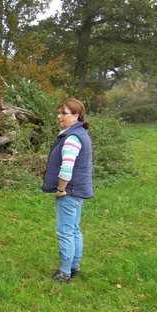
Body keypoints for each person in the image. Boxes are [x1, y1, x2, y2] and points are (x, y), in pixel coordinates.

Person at [42, 98, 94, 282]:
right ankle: (74, 266)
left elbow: (67, 168)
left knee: (65, 230)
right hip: (79, 190)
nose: (59, 117)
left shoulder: (72, 137)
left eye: (64, 113)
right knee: (74, 228)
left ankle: (64, 272)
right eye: (60, 112)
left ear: (76, 115)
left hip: (70, 191)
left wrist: (61, 189)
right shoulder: (81, 133)